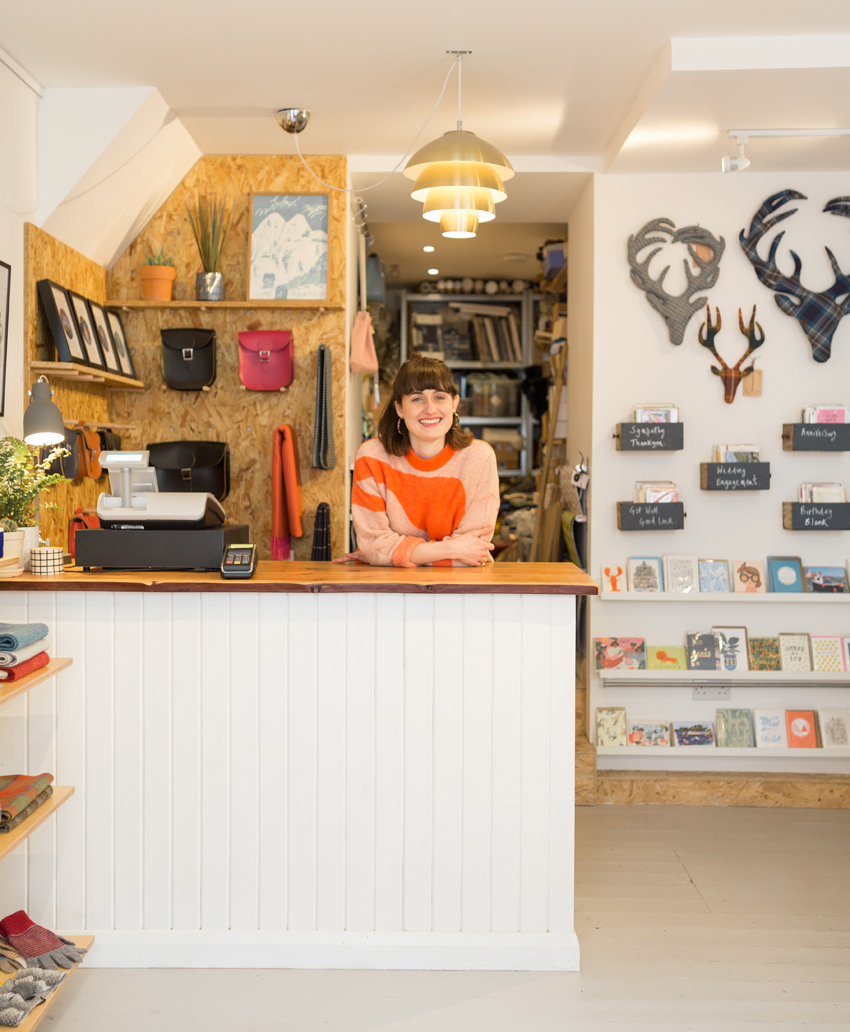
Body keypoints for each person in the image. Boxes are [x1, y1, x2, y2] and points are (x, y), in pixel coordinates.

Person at [336, 353, 499, 567]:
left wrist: (392, 556)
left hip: (459, 590)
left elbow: (473, 551)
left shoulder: (479, 457)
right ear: (400, 409)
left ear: (454, 404)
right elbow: (375, 546)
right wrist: (450, 549)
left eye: (439, 397)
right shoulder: (372, 457)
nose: (430, 409)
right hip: (387, 590)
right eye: (417, 399)